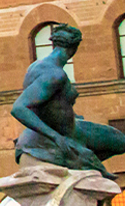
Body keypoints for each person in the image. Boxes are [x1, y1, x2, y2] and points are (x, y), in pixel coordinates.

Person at [10, 23, 125, 173]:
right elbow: (19, 108)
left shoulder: (37, 66)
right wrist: (56, 137)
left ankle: (82, 167)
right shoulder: (54, 75)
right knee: (121, 142)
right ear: (74, 48)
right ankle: (79, 165)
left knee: (119, 140)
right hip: (66, 133)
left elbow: (52, 104)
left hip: (72, 126)